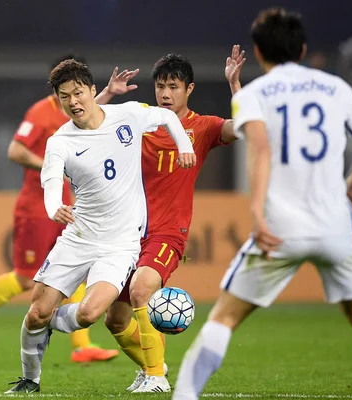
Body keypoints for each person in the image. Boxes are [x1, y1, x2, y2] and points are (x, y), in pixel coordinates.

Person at [172, 9, 352, 400]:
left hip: (281, 227)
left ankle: (185, 396)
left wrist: (256, 212)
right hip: (336, 222)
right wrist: (351, 187)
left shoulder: (254, 95)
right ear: (302, 49)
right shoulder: (336, 88)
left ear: (258, 51)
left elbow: (260, 150)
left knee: (225, 317)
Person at [5, 59, 197, 393]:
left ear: (94, 91)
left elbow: (166, 116)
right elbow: (50, 182)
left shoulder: (127, 116)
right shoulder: (60, 141)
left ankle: (54, 325)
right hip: (78, 237)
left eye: (78, 93)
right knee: (36, 313)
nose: (73, 102)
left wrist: (184, 144)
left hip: (121, 244)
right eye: (65, 97)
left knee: (90, 314)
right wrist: (55, 209)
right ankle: (29, 380)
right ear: (59, 100)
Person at [0, 54, 139, 362]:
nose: (74, 97)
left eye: (79, 89)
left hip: (69, 208)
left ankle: (81, 346)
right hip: (36, 208)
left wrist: (109, 93)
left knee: (80, 271)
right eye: (67, 91)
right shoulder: (41, 112)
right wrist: (51, 165)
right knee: (27, 279)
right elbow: (15, 150)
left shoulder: (83, 112)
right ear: (57, 89)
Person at [101, 46, 245, 393]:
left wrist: (234, 84)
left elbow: (241, 128)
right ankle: (152, 367)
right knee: (115, 320)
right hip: (128, 232)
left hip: (168, 232)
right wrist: (107, 94)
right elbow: (91, 120)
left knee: (141, 289)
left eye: (174, 87)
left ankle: (157, 378)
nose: (165, 94)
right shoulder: (139, 120)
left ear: (189, 89)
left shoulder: (203, 127)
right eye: (161, 86)